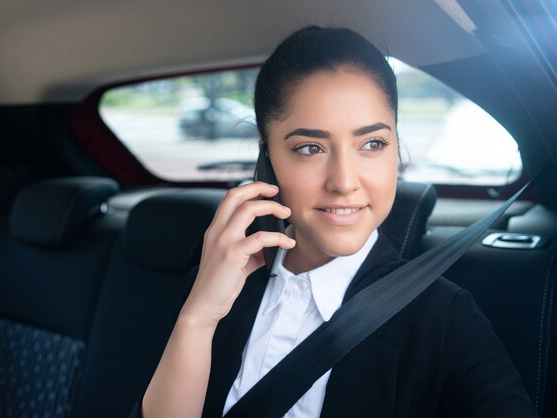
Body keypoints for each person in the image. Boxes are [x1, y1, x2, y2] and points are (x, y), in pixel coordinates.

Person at [133, 26, 538, 417]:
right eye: (310, 148)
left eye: (372, 144)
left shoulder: (444, 318)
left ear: (396, 147)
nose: (344, 182)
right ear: (268, 158)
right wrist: (198, 317)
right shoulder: (218, 288)